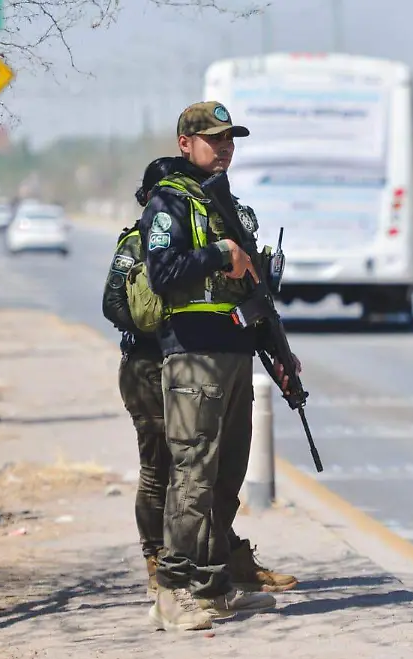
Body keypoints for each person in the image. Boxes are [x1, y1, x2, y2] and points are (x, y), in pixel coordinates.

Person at [101, 156, 300, 603]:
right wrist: (167, 323)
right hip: (150, 365)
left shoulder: (211, 229)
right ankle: (161, 565)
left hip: (195, 359)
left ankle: (220, 564)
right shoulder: (139, 240)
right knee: (165, 471)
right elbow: (114, 304)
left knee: (204, 473)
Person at [138, 101, 303, 631]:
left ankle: (212, 588)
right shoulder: (169, 201)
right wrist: (218, 252)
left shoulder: (226, 201)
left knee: (226, 475)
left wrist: (279, 350)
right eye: (214, 138)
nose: (225, 146)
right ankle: (172, 592)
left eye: (230, 138)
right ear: (185, 143)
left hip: (234, 353)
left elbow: (251, 289)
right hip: (193, 356)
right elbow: (163, 272)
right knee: (192, 478)